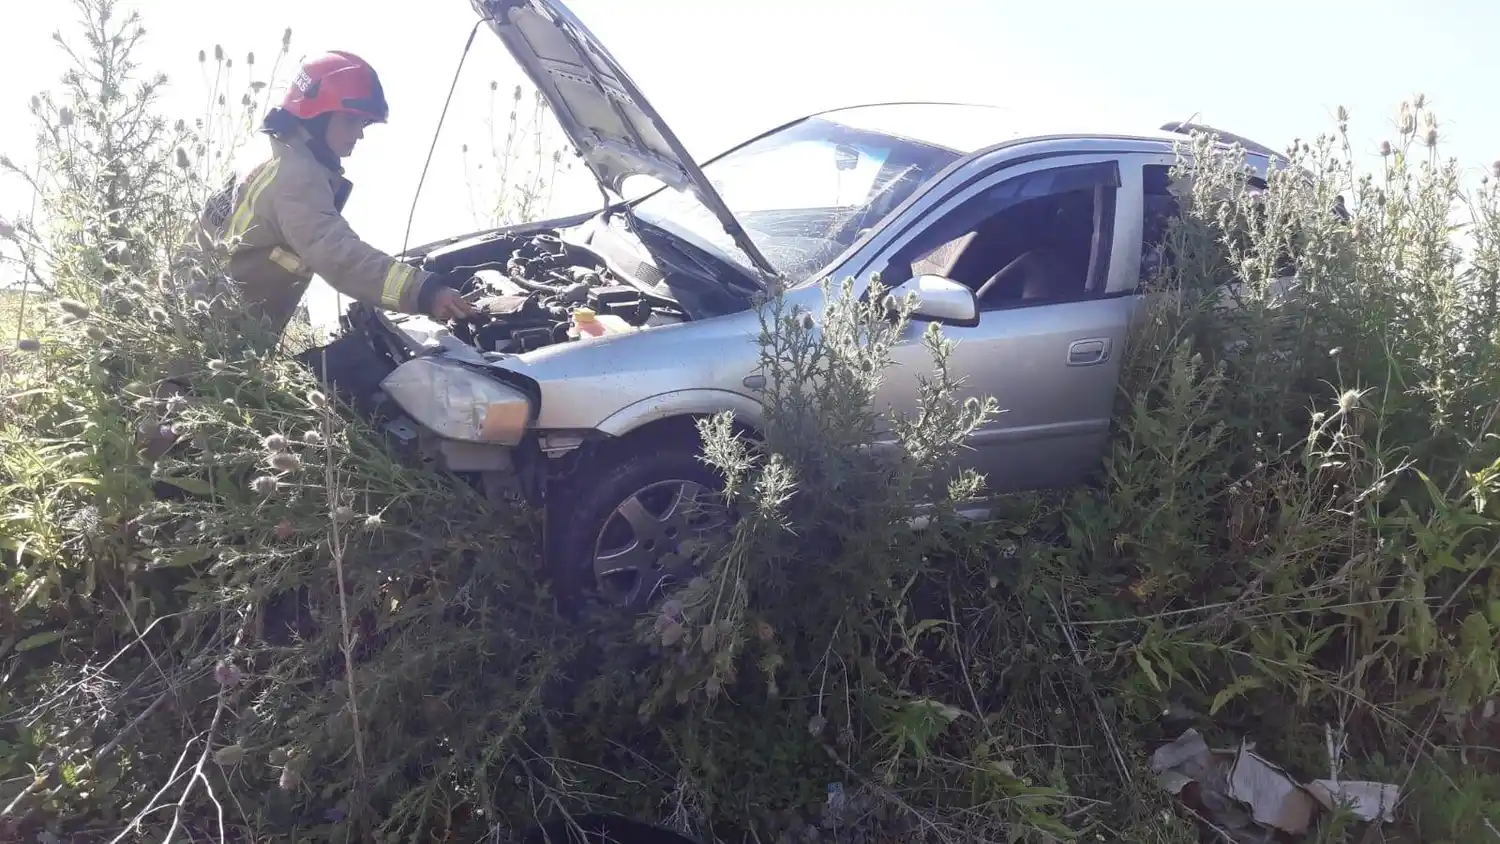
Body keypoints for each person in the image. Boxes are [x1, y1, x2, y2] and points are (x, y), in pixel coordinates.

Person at [197, 50, 475, 345]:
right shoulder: (297, 175)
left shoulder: (268, 153)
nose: (360, 135)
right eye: (351, 121)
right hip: (209, 349)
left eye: (364, 124)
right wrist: (423, 290)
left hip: (192, 329)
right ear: (317, 115)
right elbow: (338, 255)